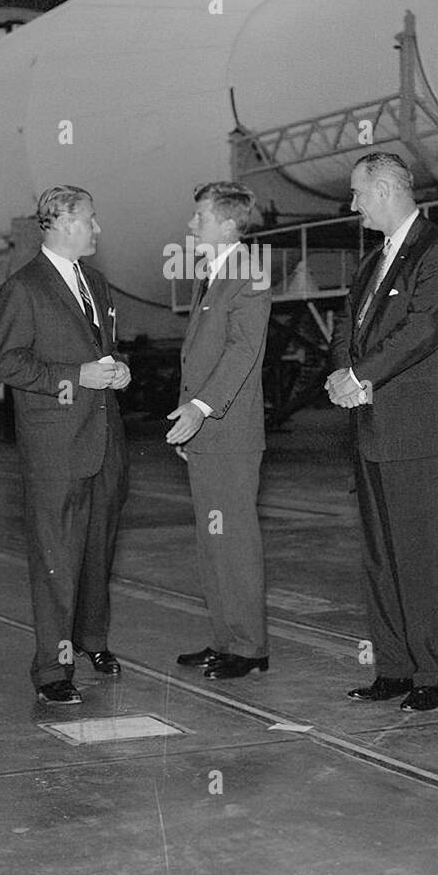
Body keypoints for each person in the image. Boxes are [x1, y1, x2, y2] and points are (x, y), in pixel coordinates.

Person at [327, 152, 438, 712]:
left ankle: (431, 676)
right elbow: (346, 324)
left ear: (384, 190)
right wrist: (344, 373)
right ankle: (392, 669)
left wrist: (361, 374)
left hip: (421, 431)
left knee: (422, 556)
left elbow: (424, 328)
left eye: (358, 193)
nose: (354, 204)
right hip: (372, 424)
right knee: (381, 555)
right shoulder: (371, 262)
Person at [0, 187, 131, 705]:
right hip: (55, 448)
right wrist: (80, 375)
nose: (97, 230)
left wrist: (115, 371)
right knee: (57, 559)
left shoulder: (95, 283)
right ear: (63, 223)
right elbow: (6, 362)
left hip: (104, 441)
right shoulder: (23, 288)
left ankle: (92, 640)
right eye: (91, 220)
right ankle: (53, 669)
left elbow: (100, 352)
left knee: (97, 550)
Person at [167, 183, 273, 680]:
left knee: (234, 540)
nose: (191, 226)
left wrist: (200, 410)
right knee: (213, 541)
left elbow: (242, 352)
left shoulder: (248, 273)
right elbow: (199, 355)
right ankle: (225, 639)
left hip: (229, 428)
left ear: (229, 225)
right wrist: (192, 422)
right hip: (208, 428)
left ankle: (250, 647)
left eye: (200, 217)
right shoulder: (213, 274)